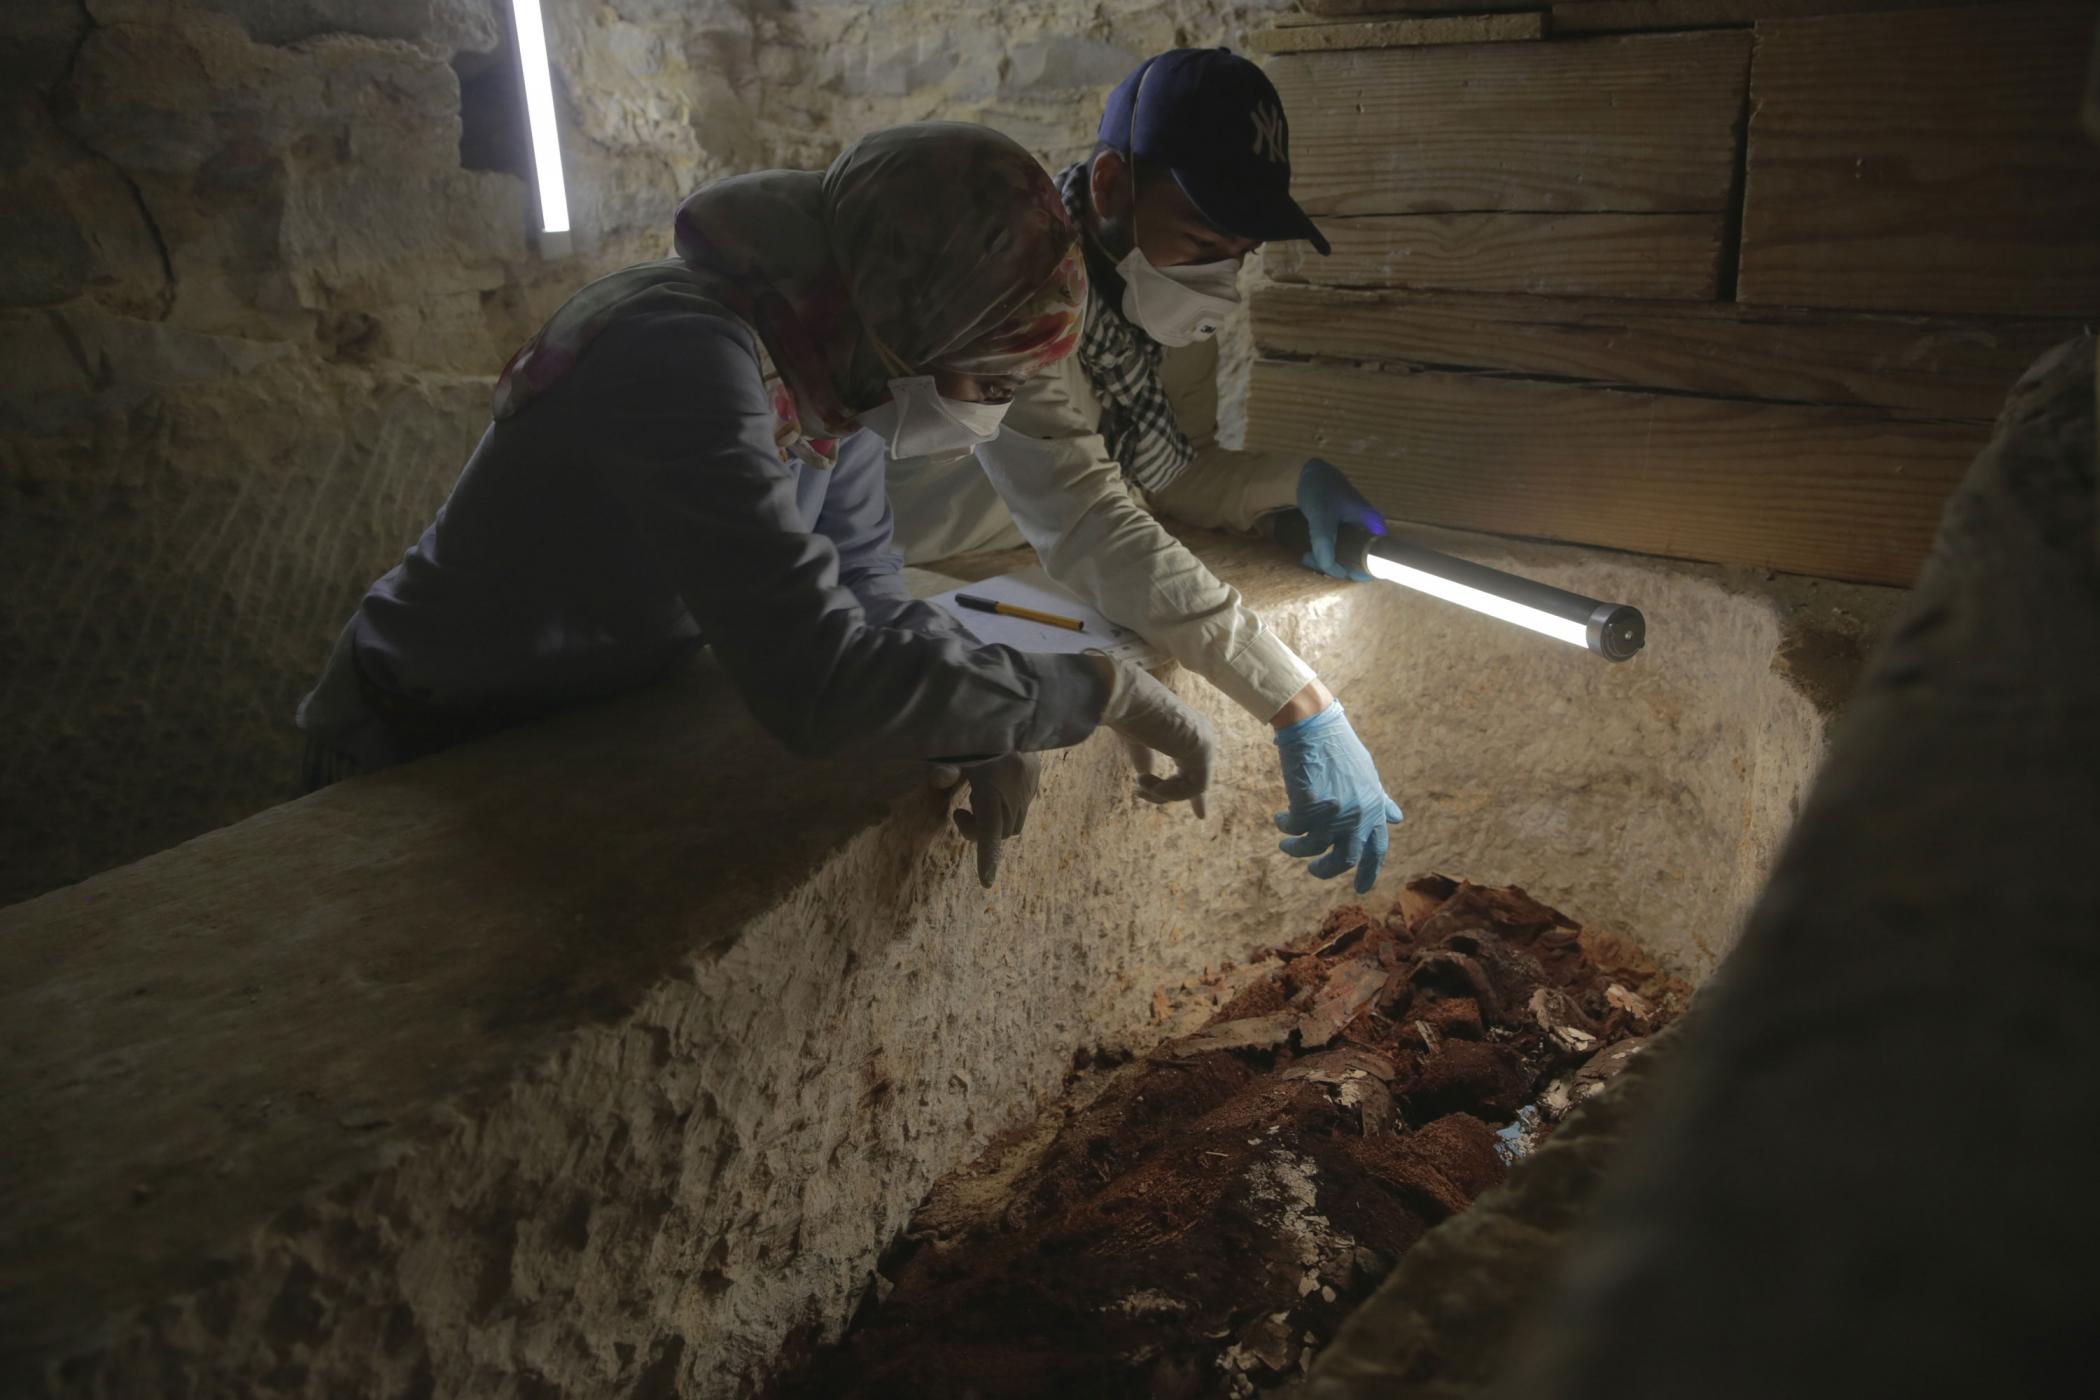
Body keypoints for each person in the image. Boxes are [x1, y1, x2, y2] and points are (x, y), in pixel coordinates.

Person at [295, 122, 1212, 887]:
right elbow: (814, 679)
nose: (987, 411)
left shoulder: (831, 382)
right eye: (986, 378)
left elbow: (868, 594)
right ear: (906, 321)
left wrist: (973, 719)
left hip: (569, 717)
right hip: (421, 738)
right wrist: (1088, 687)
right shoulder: (680, 354)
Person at [884, 50, 1404, 892]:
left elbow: (1163, 473)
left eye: (1236, 253)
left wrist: (1290, 481)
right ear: (1113, 186)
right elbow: (1094, 521)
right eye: (1202, 240)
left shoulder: (1152, 310)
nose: (1219, 280)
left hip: (1007, 557)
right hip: (905, 548)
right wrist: (1298, 701)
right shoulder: (1027, 293)